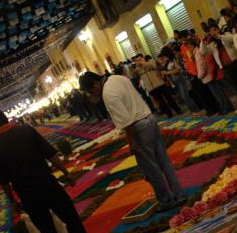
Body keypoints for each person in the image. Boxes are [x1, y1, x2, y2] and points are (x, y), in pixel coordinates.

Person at [0, 110, 104, 233]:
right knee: (71, 219)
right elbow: (51, 154)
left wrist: (13, 201)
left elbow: (4, 182)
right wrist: (66, 172)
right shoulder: (26, 130)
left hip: (28, 195)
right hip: (47, 184)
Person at [79, 72, 188, 212]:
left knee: (151, 169)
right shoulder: (117, 78)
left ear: (95, 84)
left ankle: (166, 200)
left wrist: (131, 142)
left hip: (139, 128)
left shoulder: (107, 94)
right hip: (150, 119)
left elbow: (126, 121)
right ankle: (180, 195)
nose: (92, 95)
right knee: (164, 161)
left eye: (90, 91)